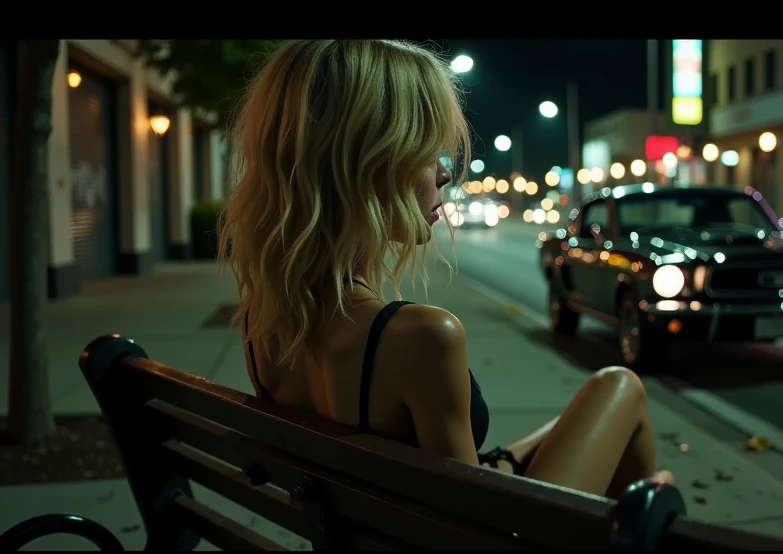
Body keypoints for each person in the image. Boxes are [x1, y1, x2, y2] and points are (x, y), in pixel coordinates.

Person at [218, 40, 672, 499]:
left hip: (369, 529)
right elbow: (469, 519)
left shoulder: (263, 321)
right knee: (621, 389)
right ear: (366, 164)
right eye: (425, 150)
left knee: (601, 400)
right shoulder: (420, 336)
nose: (444, 173)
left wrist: (511, 460)